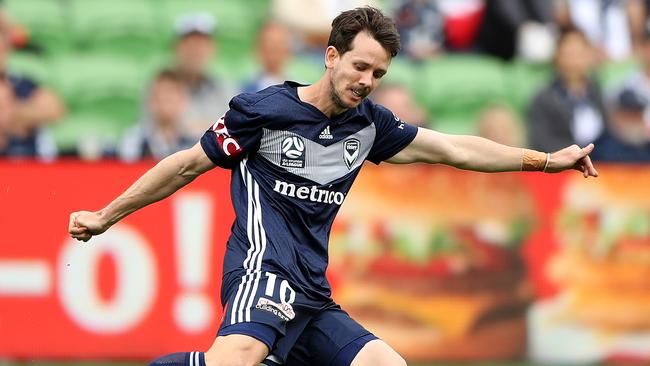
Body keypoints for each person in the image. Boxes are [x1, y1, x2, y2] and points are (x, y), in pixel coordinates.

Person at [68, 7, 597, 366]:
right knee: (239, 360)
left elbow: (455, 150)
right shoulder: (264, 111)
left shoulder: (370, 126)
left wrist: (546, 159)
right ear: (331, 56)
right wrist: (106, 215)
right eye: (360, 66)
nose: (367, 80)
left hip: (312, 293)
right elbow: (184, 166)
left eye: (379, 73)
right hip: (262, 268)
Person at [528, 27, 610, 152]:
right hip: (563, 164)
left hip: (601, 163)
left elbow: (608, 132)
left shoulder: (597, 92)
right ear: (557, 57)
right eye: (569, 54)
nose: (575, 61)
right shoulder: (544, 99)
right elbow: (541, 141)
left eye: (580, 54)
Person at [167, 12, 234, 139]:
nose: (195, 51)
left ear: (212, 49)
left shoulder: (223, 88)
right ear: (177, 47)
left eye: (201, 45)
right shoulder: (161, 87)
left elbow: (234, 130)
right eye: (190, 44)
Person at [0, 28, 64, 159]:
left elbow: (55, 109)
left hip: (23, 158)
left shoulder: (19, 82)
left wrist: (16, 114)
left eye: (2, 50)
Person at [119, 70, 195, 162]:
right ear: (150, 101)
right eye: (159, 97)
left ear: (183, 101)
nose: (164, 104)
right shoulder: (135, 140)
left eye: (170, 99)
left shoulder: (193, 142)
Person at [242, 21, 293, 94]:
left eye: (280, 43)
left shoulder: (300, 89)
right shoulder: (246, 89)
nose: (275, 48)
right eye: (269, 43)